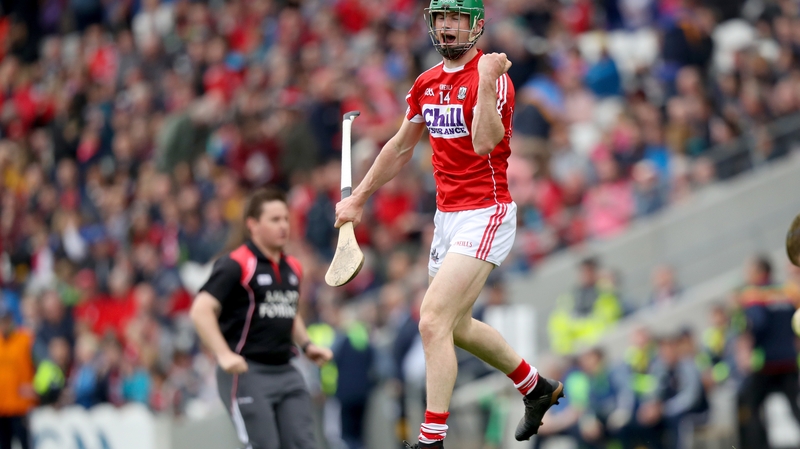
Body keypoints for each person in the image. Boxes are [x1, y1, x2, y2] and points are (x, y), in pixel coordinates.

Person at [334, 0, 562, 446]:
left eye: (457, 18)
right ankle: (535, 388)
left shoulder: (495, 78)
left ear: (475, 25)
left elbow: (483, 143)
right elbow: (400, 148)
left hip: (486, 212)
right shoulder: (425, 83)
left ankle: (431, 439)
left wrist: (486, 82)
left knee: (432, 320)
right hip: (448, 217)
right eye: (441, 18)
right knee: (456, 327)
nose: (448, 27)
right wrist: (359, 198)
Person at [190, 187, 333, 449]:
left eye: (286, 219)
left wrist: (307, 345)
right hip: (247, 372)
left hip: (286, 370)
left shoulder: (293, 267)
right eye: (275, 220)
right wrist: (223, 354)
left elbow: (288, 310)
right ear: (253, 225)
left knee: (305, 443)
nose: (283, 226)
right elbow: (201, 310)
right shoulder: (235, 264)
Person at [0, 305, 35, 449]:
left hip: (21, 404)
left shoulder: (25, 339)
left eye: (5, 320)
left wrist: (36, 387)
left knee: (24, 443)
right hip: (2, 406)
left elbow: (44, 365)